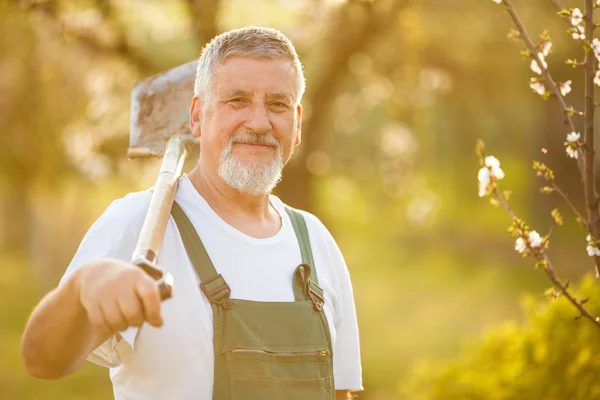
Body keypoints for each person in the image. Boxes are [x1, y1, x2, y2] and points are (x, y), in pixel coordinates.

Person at [21, 26, 363, 400]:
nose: (259, 122)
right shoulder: (137, 222)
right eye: (237, 100)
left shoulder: (315, 242)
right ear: (197, 116)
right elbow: (42, 361)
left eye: (277, 105)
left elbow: (340, 393)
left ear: (296, 123)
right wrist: (80, 288)